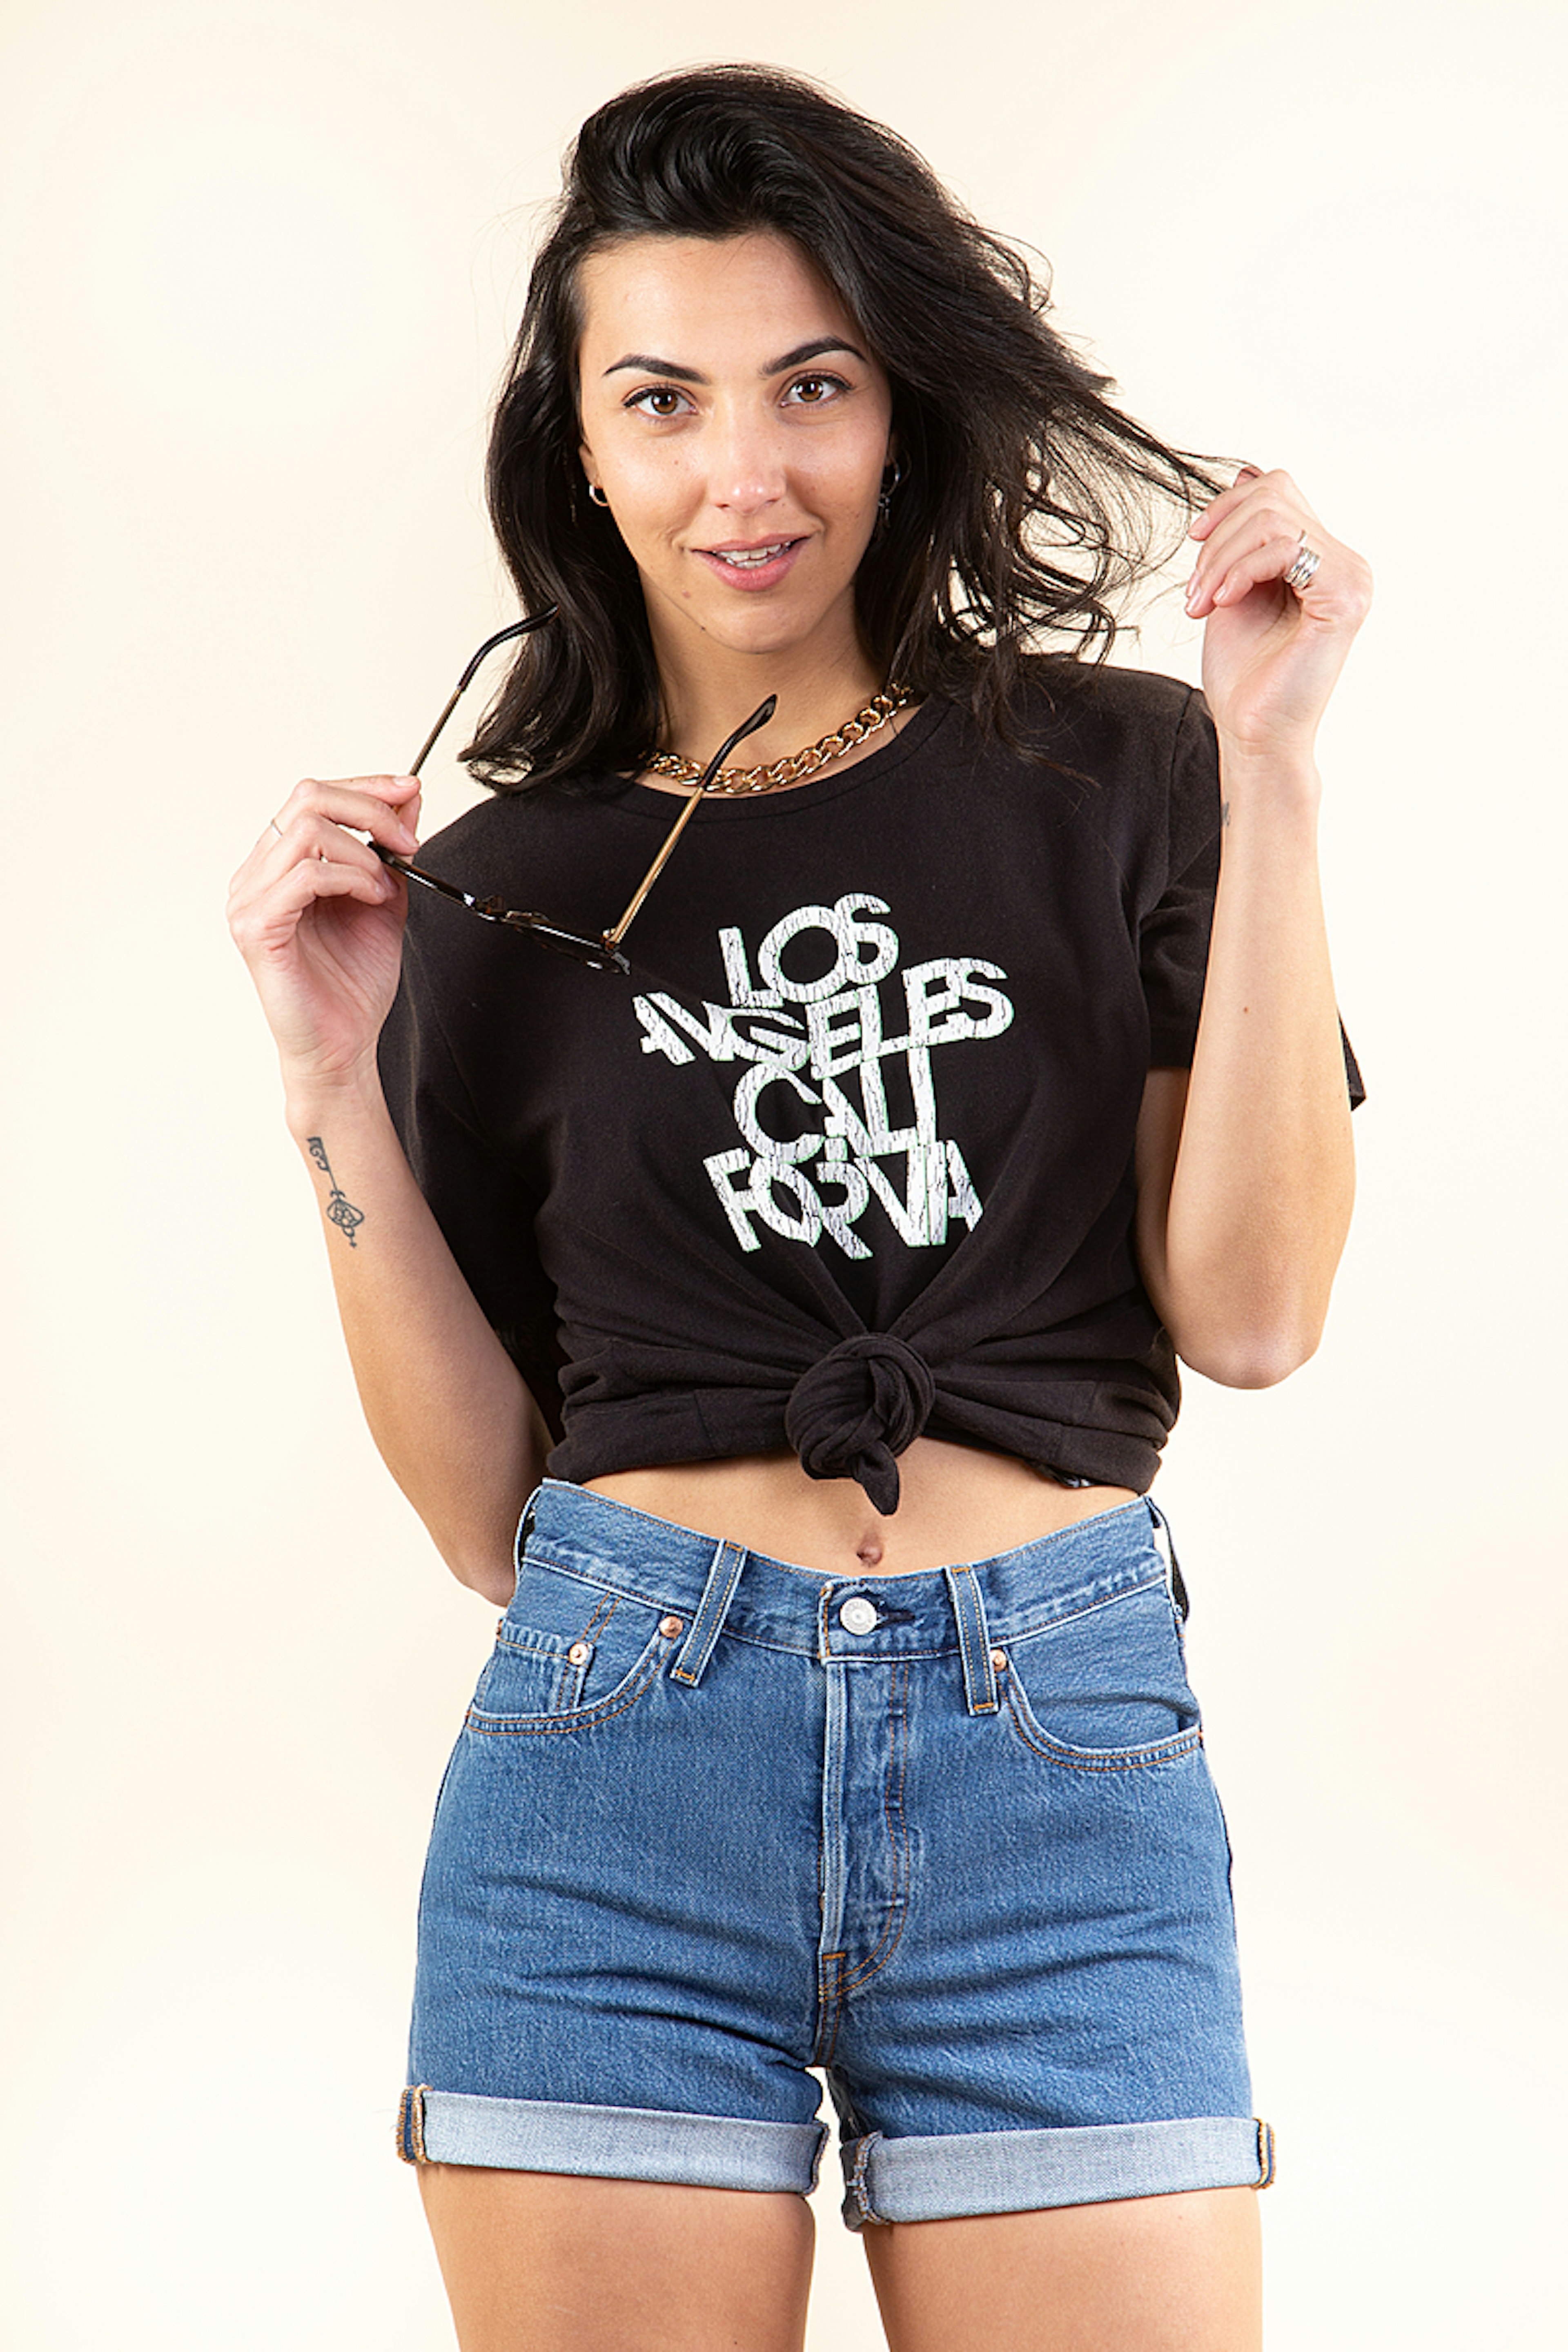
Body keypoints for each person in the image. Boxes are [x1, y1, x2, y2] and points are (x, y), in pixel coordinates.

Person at [227, 62, 1369, 2352]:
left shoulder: (1126, 770)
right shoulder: (502, 888)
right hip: (616, 1779)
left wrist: (1271, 766)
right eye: (663, 399)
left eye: (812, 387)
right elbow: (485, 1517)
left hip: (1060, 1757)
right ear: (577, 439)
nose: (742, 476)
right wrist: (327, 1082)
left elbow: (1250, 1315)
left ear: (899, 405)